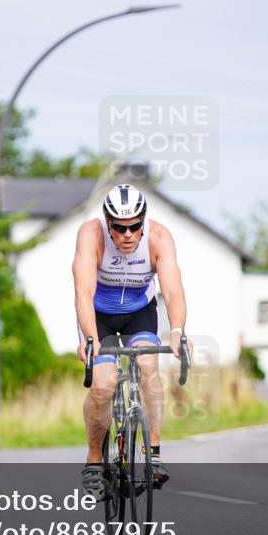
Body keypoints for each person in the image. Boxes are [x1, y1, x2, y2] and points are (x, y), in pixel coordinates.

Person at [72, 183, 190, 500]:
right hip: (99, 316)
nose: (127, 234)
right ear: (107, 223)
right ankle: (94, 461)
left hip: (140, 312)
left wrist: (177, 332)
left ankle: (154, 454)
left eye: (134, 226)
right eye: (120, 228)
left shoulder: (159, 238)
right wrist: (90, 339)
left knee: (149, 364)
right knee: (103, 384)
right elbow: (83, 292)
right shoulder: (90, 235)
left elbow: (174, 291)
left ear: (143, 222)